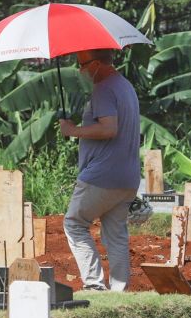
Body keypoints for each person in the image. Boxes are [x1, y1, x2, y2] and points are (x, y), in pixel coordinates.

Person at [59, 48, 140, 292]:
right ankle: (119, 291)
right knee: (115, 234)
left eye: (83, 64)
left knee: (74, 223)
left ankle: (94, 285)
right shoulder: (125, 86)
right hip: (127, 177)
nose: (81, 70)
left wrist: (72, 131)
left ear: (96, 63)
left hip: (102, 176)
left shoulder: (104, 88)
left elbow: (109, 129)